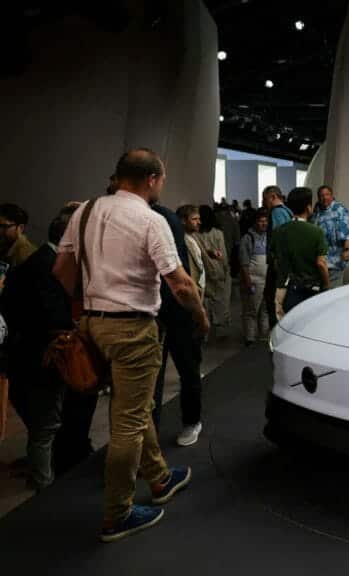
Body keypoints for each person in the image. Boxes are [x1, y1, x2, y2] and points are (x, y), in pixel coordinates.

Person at [51, 148, 209, 542]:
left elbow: (61, 272)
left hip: (91, 325)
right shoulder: (150, 220)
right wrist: (200, 316)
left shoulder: (84, 212)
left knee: (131, 406)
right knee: (129, 423)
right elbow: (180, 283)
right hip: (133, 330)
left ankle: (158, 478)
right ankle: (117, 514)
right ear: (152, 179)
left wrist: (90, 303)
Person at [1, 209, 74, 491]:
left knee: (39, 423)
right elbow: (53, 318)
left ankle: (38, 469)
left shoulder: (33, 260)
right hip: (43, 359)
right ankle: (44, 486)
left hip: (22, 356)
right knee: (46, 427)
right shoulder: (51, 267)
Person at [153, 203, 204, 447]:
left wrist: (198, 312)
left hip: (175, 309)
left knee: (188, 368)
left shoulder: (165, 218)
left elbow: (181, 279)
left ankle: (192, 421)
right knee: (152, 380)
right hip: (150, 312)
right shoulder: (121, 215)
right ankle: (149, 437)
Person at [271, 187, 329, 316]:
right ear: (309, 207)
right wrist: (326, 285)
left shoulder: (278, 231)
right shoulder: (316, 232)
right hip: (308, 290)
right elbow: (321, 263)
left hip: (283, 288)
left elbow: (275, 262)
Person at [262, 186, 293, 327]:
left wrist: (276, 261)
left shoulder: (277, 213)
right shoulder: (288, 212)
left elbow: (279, 239)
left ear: (273, 197)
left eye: (265, 199)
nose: (264, 203)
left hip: (278, 266)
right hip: (285, 265)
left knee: (273, 300)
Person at [310, 185, 349, 288]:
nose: (324, 197)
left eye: (327, 194)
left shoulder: (339, 209)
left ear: (331, 195)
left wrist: (347, 249)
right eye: (321, 195)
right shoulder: (317, 212)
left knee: (332, 291)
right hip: (320, 261)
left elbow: (347, 231)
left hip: (336, 260)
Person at [196, 205, 230, 333]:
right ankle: (220, 327)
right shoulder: (218, 233)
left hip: (202, 271)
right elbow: (224, 255)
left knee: (205, 301)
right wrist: (226, 269)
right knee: (220, 300)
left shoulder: (195, 235)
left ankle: (206, 329)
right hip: (218, 270)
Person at [239, 208, 270, 345]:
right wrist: (248, 282)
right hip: (254, 281)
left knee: (265, 310)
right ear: (254, 223)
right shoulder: (247, 238)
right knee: (251, 311)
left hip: (266, 281)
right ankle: (249, 339)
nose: (264, 224)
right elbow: (244, 263)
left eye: (265, 221)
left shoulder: (269, 236)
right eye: (260, 221)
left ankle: (264, 337)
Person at [0, 204, 37, 268]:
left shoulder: (25, 253)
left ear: (21, 228)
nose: (0, 231)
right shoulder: (5, 244)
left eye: (5, 226)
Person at [215, 203, 241, 279]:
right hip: (230, 242)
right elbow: (237, 230)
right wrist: (237, 241)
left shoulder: (217, 217)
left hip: (220, 243)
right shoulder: (232, 217)